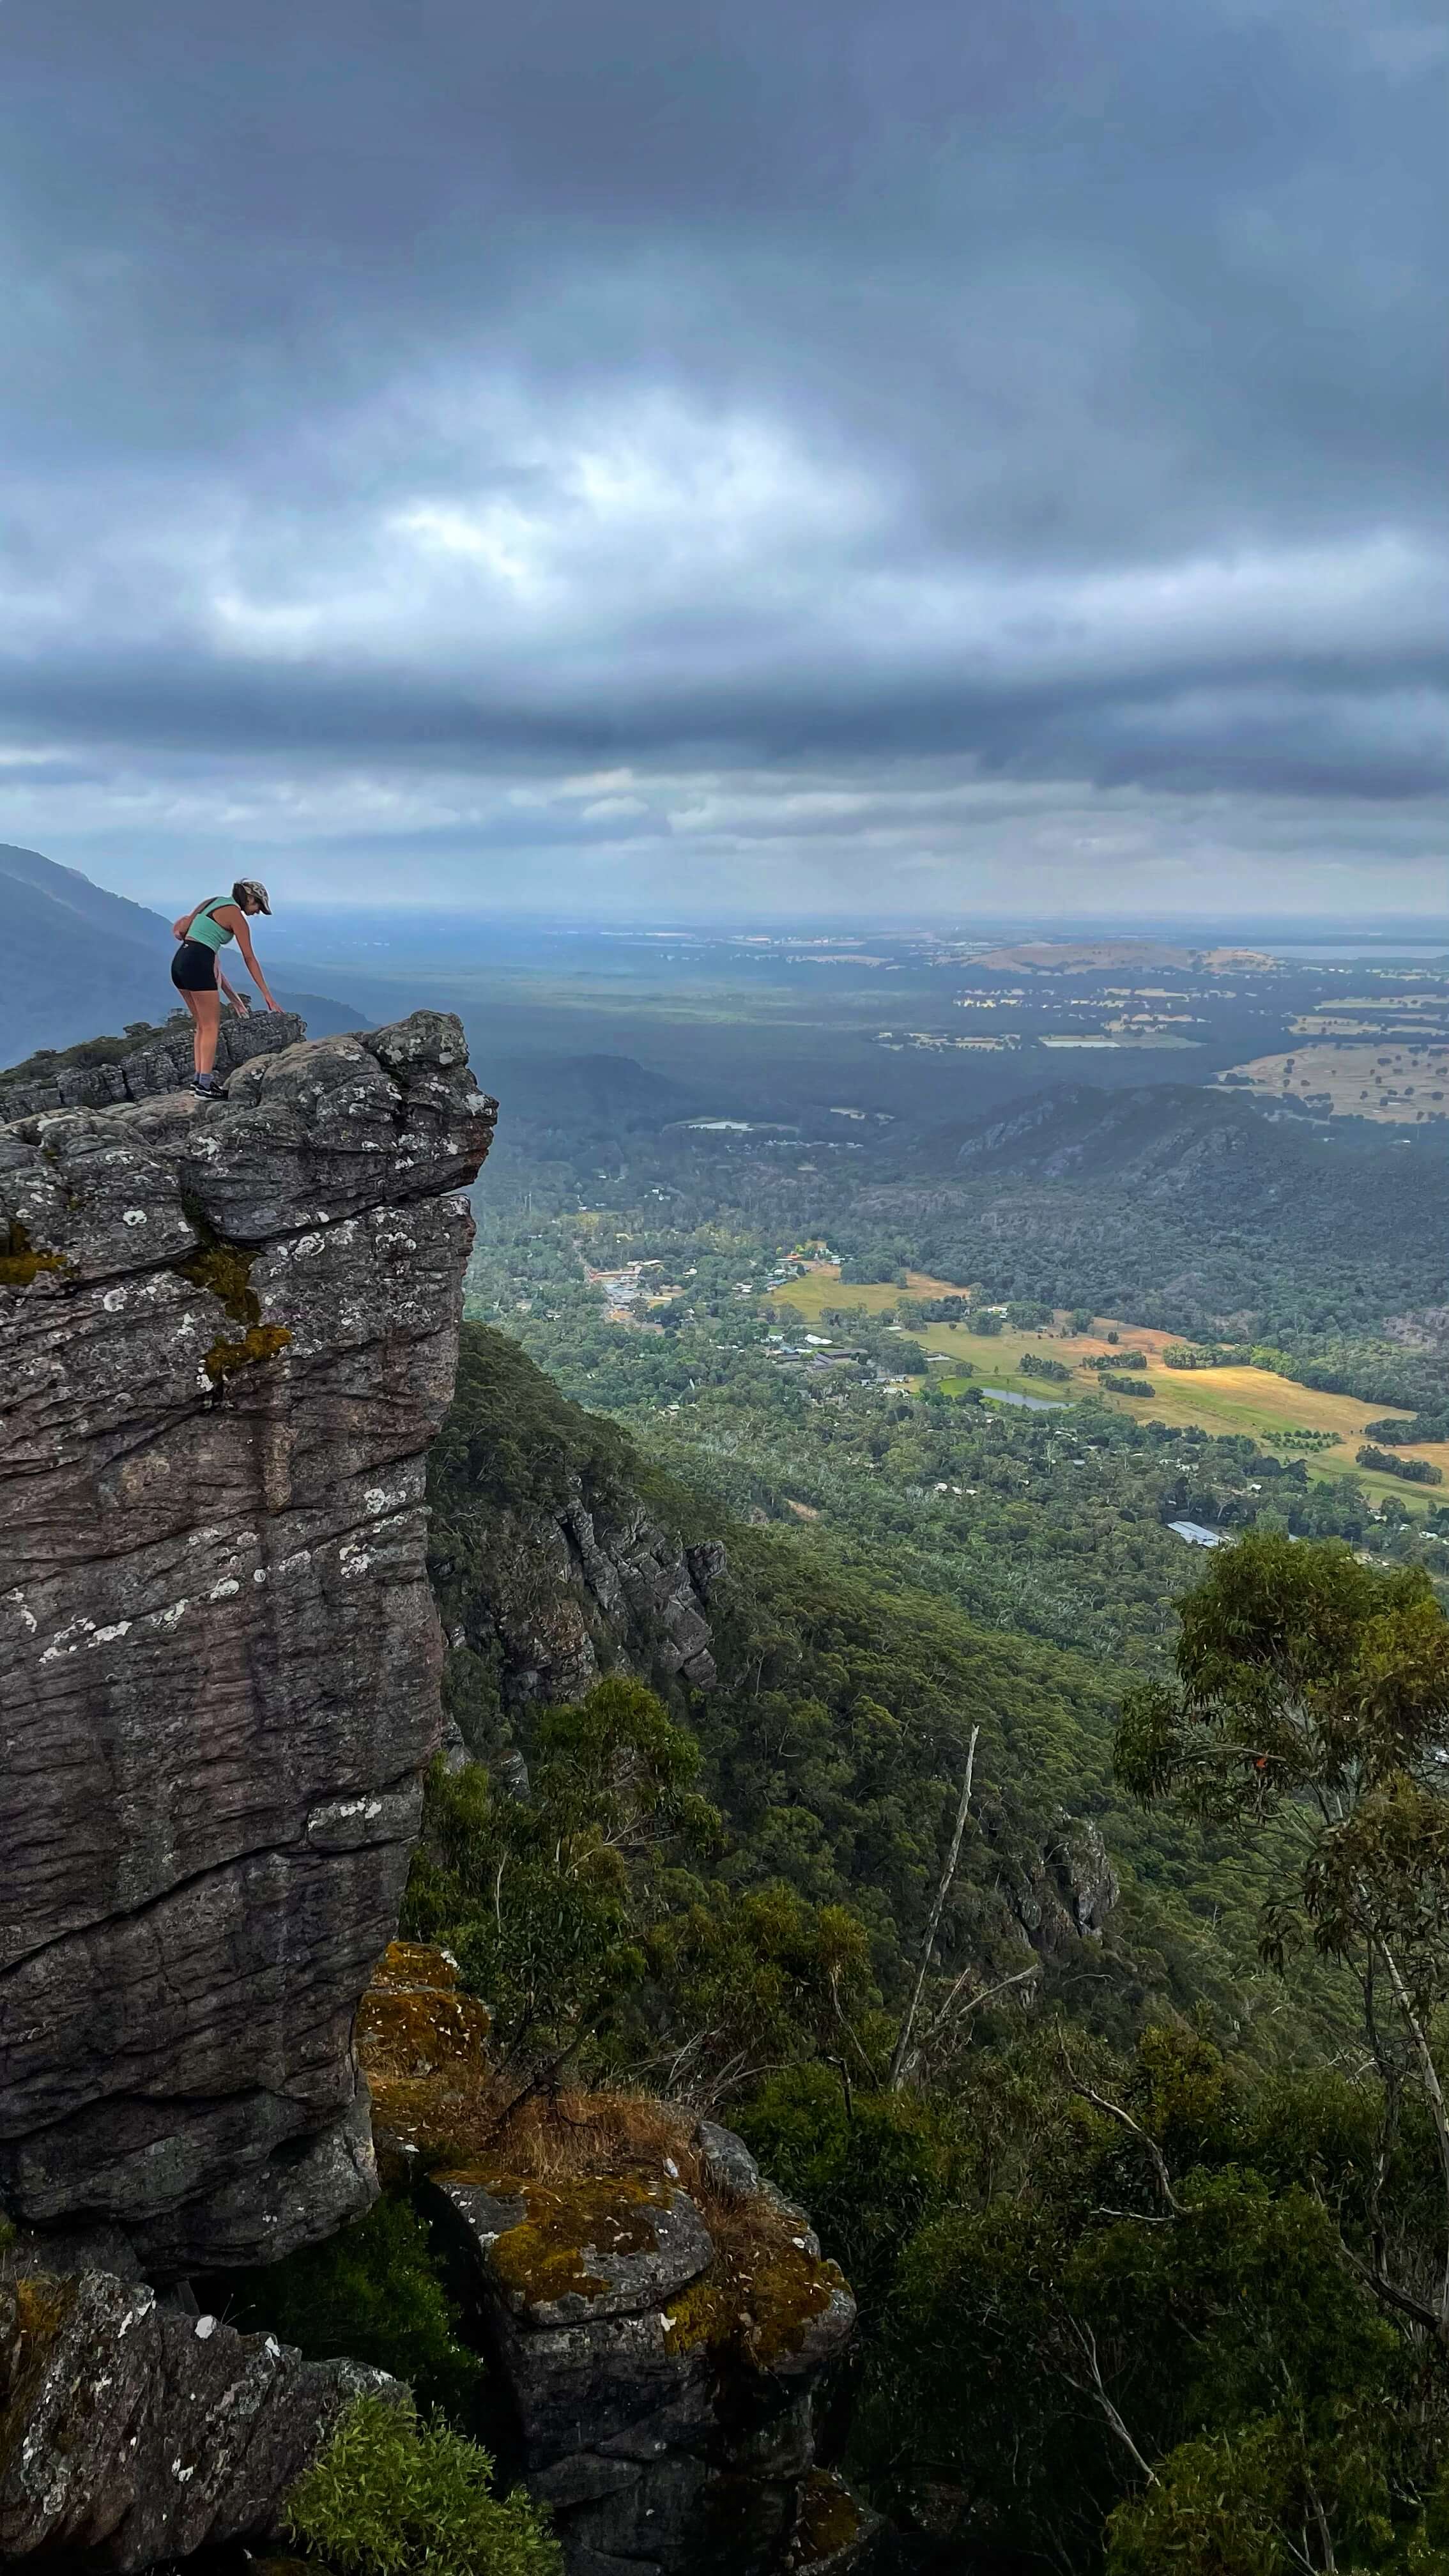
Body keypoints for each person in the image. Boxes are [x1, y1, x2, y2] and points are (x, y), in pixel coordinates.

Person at [171, 880, 280, 1092]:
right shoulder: (235, 916)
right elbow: (249, 958)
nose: (257, 911)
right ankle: (204, 1085)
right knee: (211, 1027)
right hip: (198, 962)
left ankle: (198, 1082)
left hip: (180, 961)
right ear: (249, 898)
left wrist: (235, 1000)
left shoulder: (210, 903)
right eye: (258, 905)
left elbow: (184, 933)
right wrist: (267, 995)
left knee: (202, 1026)